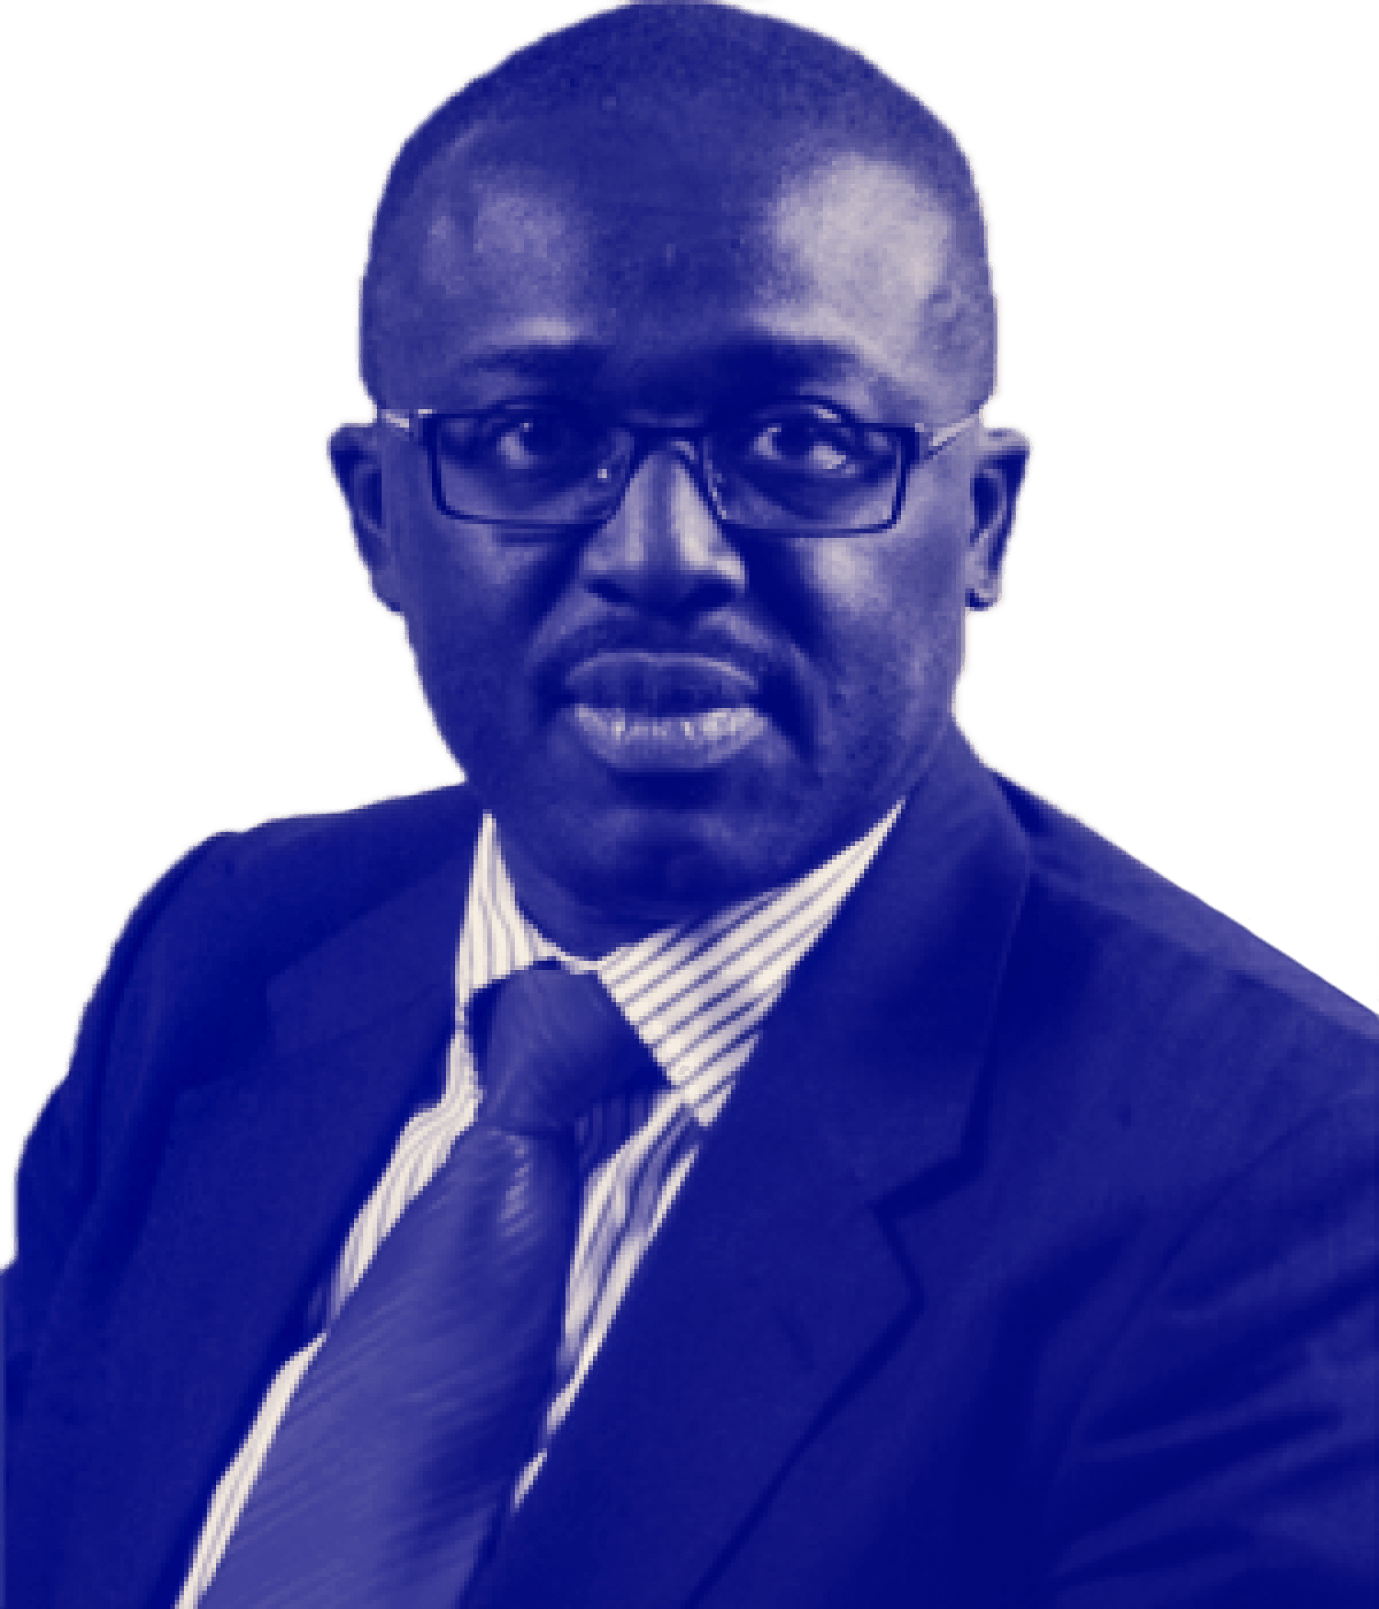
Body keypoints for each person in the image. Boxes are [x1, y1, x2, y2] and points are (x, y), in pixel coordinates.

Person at [6, 3, 1376, 1605]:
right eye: (533, 436)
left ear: (983, 524)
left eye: (801, 439)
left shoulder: (1284, 1169)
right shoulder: (220, 951)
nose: (662, 557)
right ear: (377, 521)